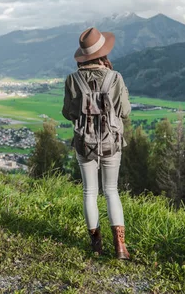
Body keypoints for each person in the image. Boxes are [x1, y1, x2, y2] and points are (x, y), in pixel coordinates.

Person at [62, 26, 131, 260]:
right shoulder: (115, 78)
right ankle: (121, 248)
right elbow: (125, 111)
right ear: (103, 53)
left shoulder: (72, 80)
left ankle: (96, 246)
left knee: (89, 192)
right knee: (112, 191)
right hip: (111, 141)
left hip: (84, 143)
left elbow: (68, 113)